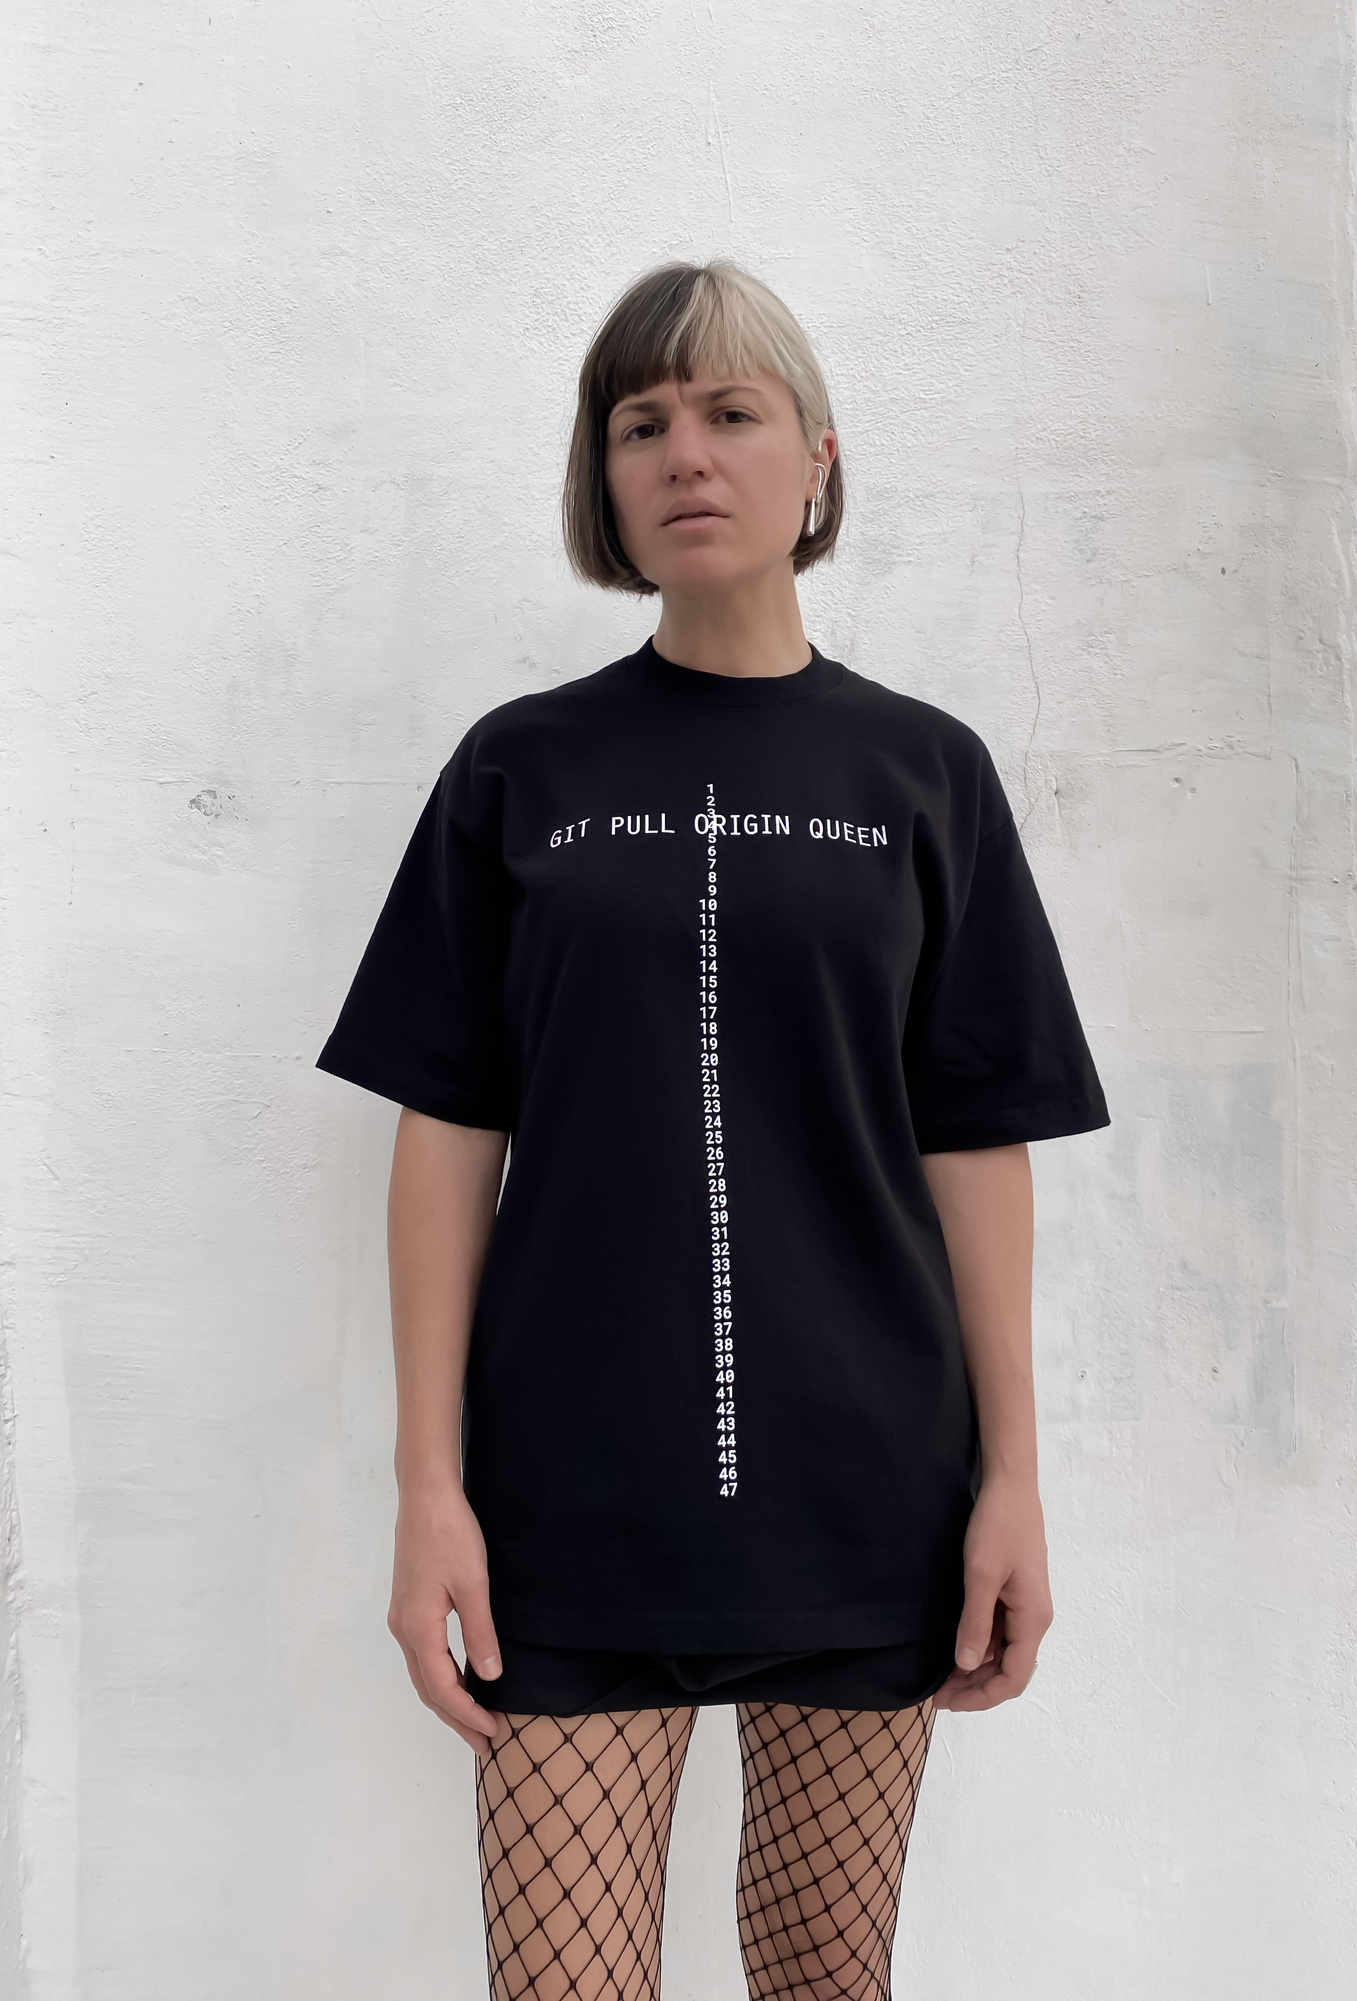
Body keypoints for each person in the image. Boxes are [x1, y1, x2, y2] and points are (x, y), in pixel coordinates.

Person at [315, 260, 1110, 2001]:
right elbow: (445, 1139)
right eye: (641, 423)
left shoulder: (927, 774)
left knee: (824, 1972)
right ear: (600, 479)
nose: (685, 453)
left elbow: (976, 1142)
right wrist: (429, 1487)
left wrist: (1014, 1481)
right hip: (567, 1496)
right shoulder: (518, 771)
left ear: (816, 459)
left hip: (867, 1487)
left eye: (732, 413)